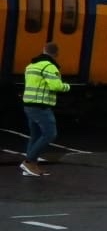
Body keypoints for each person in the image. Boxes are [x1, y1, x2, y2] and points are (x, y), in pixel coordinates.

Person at [21, 42, 71, 177]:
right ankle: (29, 161)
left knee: (35, 135)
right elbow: (56, 86)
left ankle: (31, 166)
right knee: (50, 134)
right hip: (41, 106)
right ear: (56, 54)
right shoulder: (50, 67)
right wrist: (67, 86)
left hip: (29, 105)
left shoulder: (30, 66)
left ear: (43, 50)